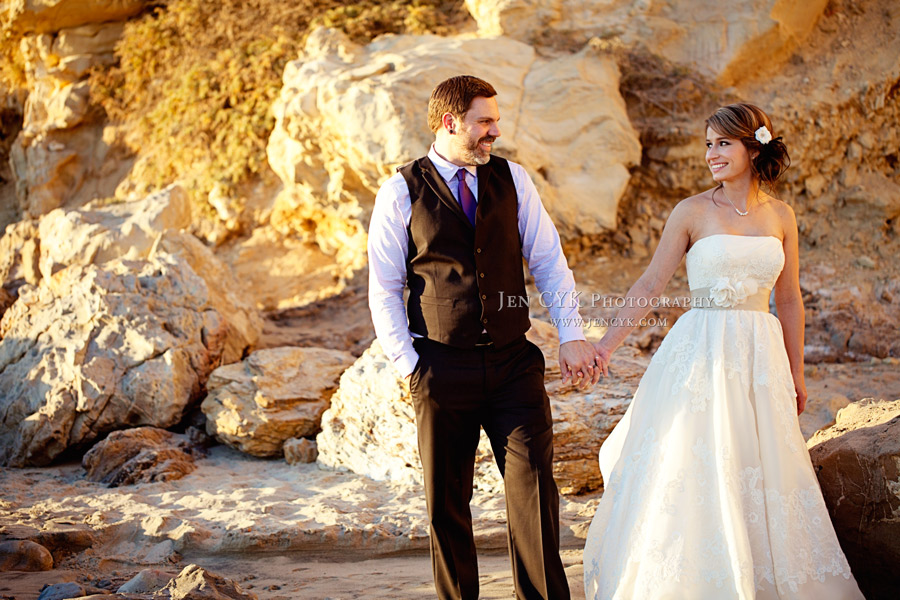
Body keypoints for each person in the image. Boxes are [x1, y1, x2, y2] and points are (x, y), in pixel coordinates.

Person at [582, 103, 864, 599]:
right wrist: (606, 345)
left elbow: (790, 299)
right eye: (707, 144)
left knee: (763, 466)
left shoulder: (781, 215)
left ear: (753, 147)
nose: (711, 154)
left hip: (760, 357)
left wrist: (797, 375)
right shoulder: (690, 211)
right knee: (696, 461)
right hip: (700, 353)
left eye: (723, 143)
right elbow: (651, 283)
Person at [368, 75, 599, 600]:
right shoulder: (400, 190)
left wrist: (570, 335)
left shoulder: (513, 179)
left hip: (514, 363)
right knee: (446, 506)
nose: (496, 131)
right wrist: (410, 365)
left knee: (535, 496)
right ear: (451, 123)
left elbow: (549, 263)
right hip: (439, 368)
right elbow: (384, 287)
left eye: (495, 120)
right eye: (485, 122)